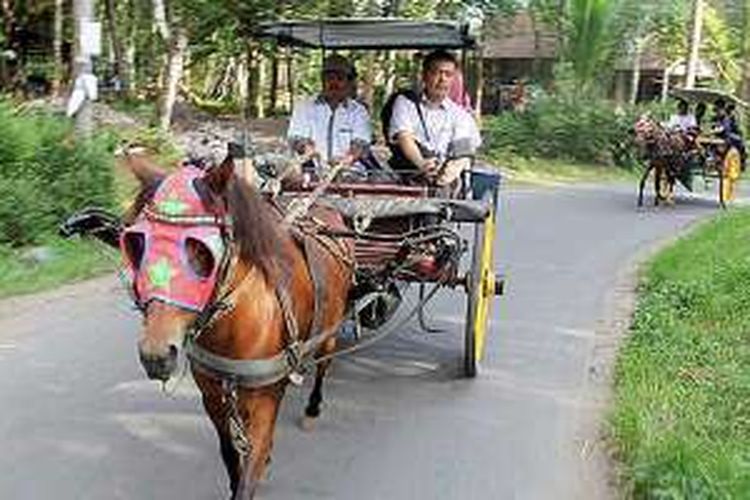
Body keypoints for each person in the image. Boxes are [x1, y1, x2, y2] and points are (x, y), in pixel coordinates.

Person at [388, 49, 481, 187]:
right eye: (437, 73)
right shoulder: (405, 103)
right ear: (425, 76)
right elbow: (404, 137)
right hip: (408, 177)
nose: (442, 79)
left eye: (448, 74)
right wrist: (422, 164)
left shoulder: (460, 115)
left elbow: (462, 151)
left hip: (444, 181)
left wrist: (448, 174)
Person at [287, 54, 372, 177]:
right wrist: (307, 150)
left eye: (340, 78)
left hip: (351, 175)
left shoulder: (358, 111)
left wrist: (346, 160)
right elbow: (296, 138)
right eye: (329, 78)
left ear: (348, 82)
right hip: (311, 174)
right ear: (322, 80)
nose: (334, 83)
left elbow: (360, 144)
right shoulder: (304, 106)